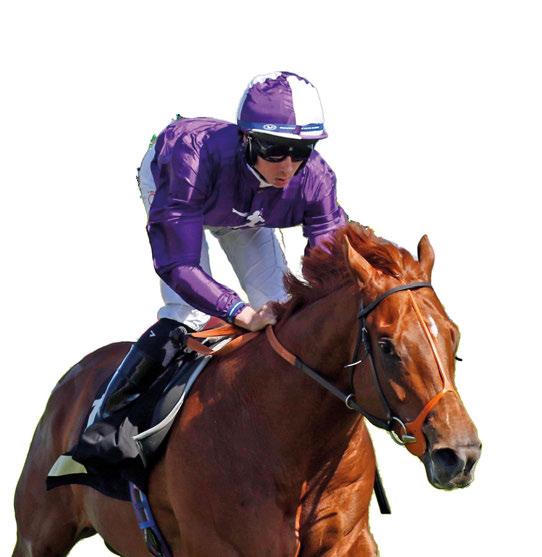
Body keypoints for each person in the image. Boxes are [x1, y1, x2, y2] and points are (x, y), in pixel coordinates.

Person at [89, 71, 348, 429]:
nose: (288, 167)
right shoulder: (190, 158)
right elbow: (178, 264)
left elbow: (329, 269)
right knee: (189, 315)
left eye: (301, 151)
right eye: (274, 149)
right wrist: (239, 313)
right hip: (185, 185)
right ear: (246, 139)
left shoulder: (317, 179)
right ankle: (101, 425)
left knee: (284, 310)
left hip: (240, 203)